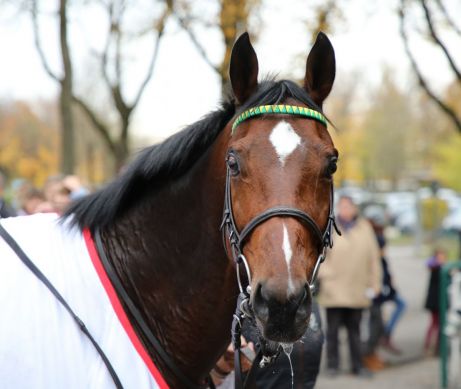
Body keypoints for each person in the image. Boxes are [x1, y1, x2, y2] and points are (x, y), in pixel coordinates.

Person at [317, 195, 381, 377]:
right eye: (341, 206)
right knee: (333, 331)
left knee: (355, 331)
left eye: (348, 206)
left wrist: (375, 284)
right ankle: (332, 366)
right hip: (334, 289)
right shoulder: (329, 227)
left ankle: (357, 366)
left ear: (354, 208)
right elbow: (319, 256)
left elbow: (374, 259)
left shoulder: (365, 228)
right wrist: (326, 274)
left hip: (357, 288)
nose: (345, 209)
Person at [424, 248, 447, 355]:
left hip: (438, 302)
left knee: (437, 324)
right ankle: (431, 346)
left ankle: (435, 346)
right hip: (435, 303)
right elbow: (429, 264)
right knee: (435, 324)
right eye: (440, 257)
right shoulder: (437, 269)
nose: (442, 259)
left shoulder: (440, 268)